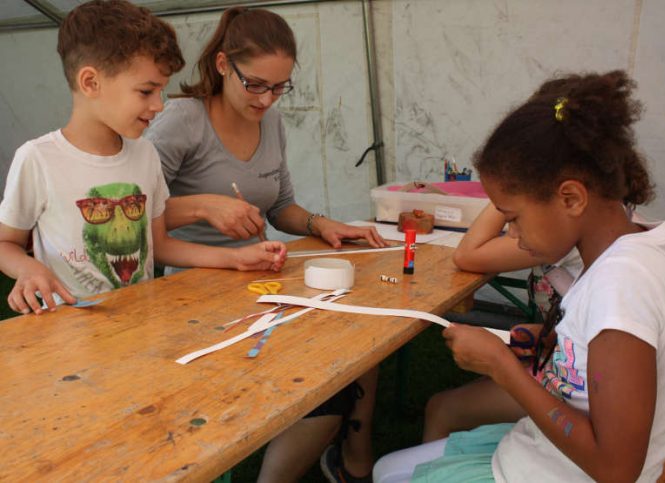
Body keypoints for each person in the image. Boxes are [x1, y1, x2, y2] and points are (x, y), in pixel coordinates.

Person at [374, 70, 665, 482]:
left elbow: (617, 470)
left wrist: (502, 368)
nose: (512, 234)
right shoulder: (641, 248)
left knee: (389, 475)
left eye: (514, 218)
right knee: (388, 469)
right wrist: (554, 346)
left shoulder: (621, 290)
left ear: (571, 198)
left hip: (552, 472)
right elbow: (608, 357)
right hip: (539, 457)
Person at [144, 8, 379, 482]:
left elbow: (281, 207)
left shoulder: (269, 123)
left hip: (257, 279)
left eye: (280, 87)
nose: (268, 99)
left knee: (357, 344)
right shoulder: (181, 121)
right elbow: (135, 212)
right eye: (257, 84)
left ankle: (344, 455)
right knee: (324, 367)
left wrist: (321, 223)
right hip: (192, 292)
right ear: (224, 64)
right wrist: (204, 207)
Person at [0, 0, 286, 316]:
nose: (159, 105)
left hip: (141, 326)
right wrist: (27, 268)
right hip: (67, 337)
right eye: (146, 91)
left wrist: (236, 258)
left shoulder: (145, 154)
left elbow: (159, 244)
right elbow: (5, 243)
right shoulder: (37, 159)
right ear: (91, 83)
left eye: (161, 91)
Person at [423, 202, 583, 442]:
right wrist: (547, 336)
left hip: (572, 386)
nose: (512, 234)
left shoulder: (562, 236)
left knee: (442, 409)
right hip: (565, 364)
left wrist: (498, 362)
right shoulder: (591, 232)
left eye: (515, 216)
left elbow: (467, 255)